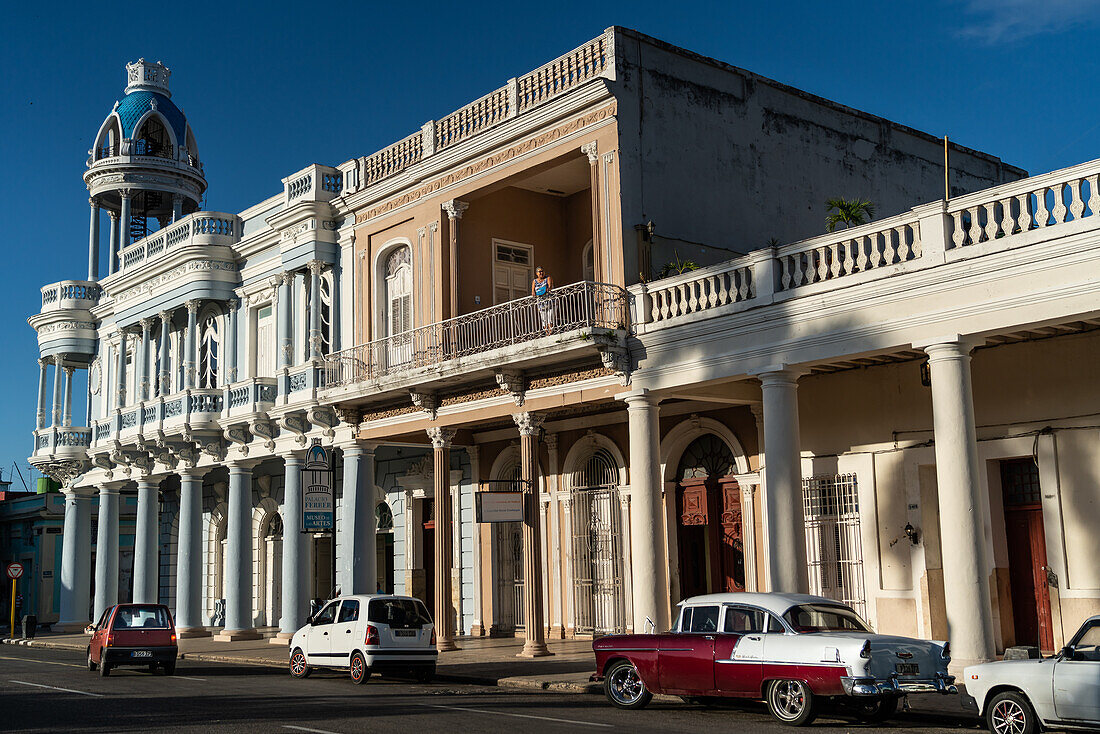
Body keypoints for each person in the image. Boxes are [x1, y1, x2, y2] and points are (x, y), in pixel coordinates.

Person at [531, 266, 555, 333]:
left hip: (550, 301)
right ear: (536, 273)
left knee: (550, 318)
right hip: (541, 303)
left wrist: (546, 289)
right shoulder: (534, 281)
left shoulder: (548, 278)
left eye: (542, 271)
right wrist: (535, 293)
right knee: (544, 319)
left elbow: (549, 287)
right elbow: (533, 292)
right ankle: (546, 332)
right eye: (539, 271)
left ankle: (551, 331)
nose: (541, 273)